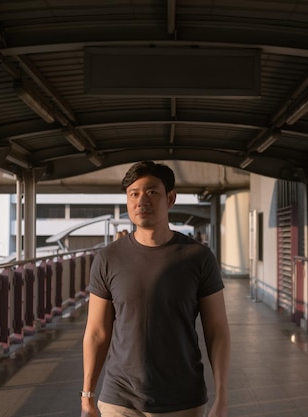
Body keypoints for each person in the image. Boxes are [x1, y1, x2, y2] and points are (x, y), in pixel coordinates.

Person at [81, 161, 231, 417]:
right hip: (120, 399)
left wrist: (222, 397)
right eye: (134, 193)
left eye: (151, 192)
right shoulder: (108, 258)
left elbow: (216, 330)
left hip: (184, 400)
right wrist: (87, 397)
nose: (141, 200)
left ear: (170, 198)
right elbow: (97, 332)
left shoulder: (198, 257)